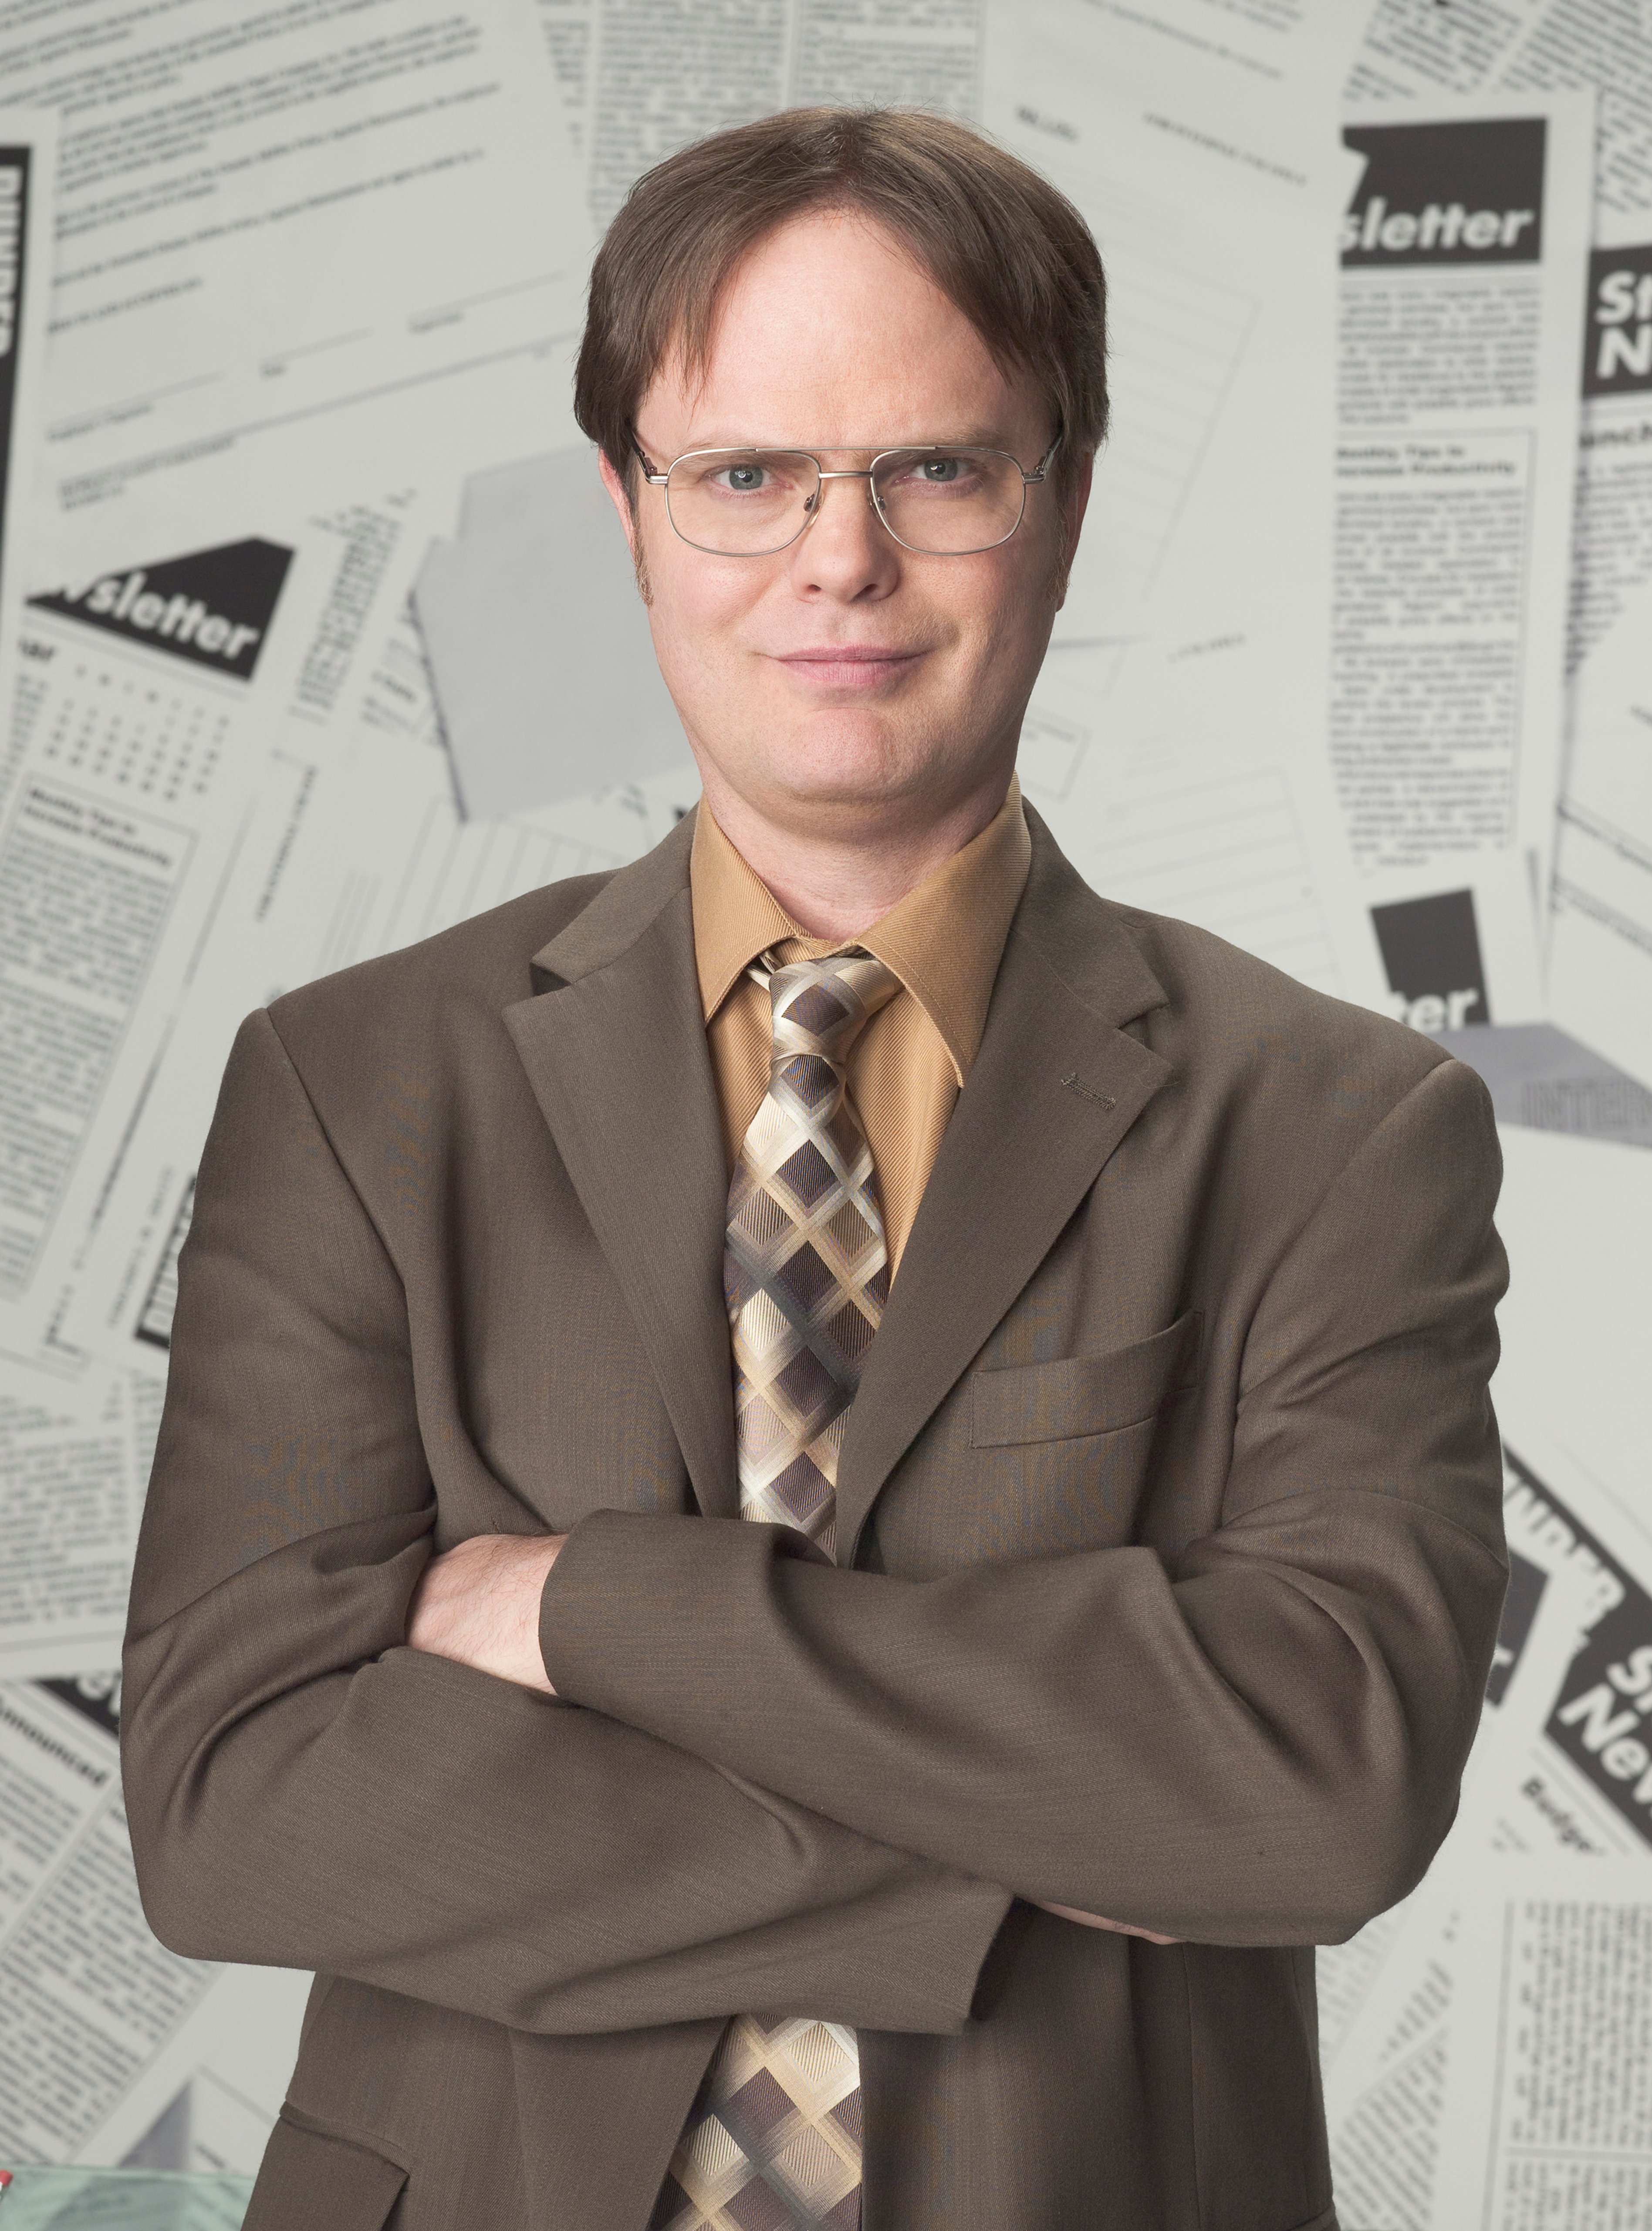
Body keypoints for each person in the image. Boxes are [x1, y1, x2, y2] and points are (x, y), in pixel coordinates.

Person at [122, 107, 1509, 2231]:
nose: (838, 560)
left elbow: (1323, 1792)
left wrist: (581, 1605)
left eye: (935, 470)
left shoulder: (1337, 1130)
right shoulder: (358, 1086)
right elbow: (235, 1801)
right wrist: (1035, 1842)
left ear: (1065, 500)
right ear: (629, 511)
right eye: (748, 474)